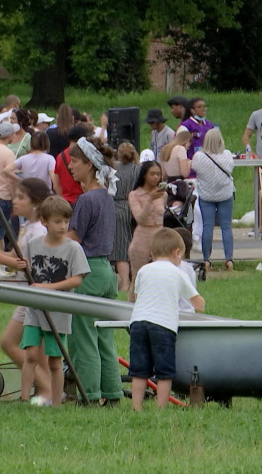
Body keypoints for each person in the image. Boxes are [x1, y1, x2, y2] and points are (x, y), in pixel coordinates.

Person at [0, 178, 52, 401]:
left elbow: (25, 263)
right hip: (29, 294)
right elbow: (14, 257)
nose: (15, 201)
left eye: (21, 197)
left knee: (8, 342)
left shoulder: (38, 231)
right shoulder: (27, 227)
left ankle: (48, 388)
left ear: (36, 203)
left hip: (34, 296)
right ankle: (44, 392)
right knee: (38, 352)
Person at [66, 136, 124, 404]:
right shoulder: (106, 196)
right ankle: (112, 393)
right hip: (107, 271)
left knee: (84, 339)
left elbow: (73, 240)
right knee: (104, 339)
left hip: (87, 272)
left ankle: (88, 394)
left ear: (89, 164)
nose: (70, 167)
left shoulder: (87, 200)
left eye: (75, 161)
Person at [20, 196, 89, 408]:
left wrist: (46, 288)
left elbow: (77, 279)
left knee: (55, 359)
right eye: (57, 221)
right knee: (31, 354)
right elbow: (25, 271)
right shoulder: (32, 245)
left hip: (59, 311)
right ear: (44, 222)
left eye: (66, 221)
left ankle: (56, 402)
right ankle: (23, 399)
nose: (63, 226)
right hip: (34, 309)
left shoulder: (73, 248)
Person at [127, 228, 205, 411]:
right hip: (163, 325)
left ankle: (136, 407)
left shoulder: (143, 271)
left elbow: (137, 296)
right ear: (177, 253)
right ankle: (160, 407)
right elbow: (198, 303)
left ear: (152, 253)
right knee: (164, 371)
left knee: (138, 370)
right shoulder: (178, 273)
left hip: (138, 323)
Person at [192, 128, 235, 271]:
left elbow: (194, 168)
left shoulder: (199, 156)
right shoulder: (227, 155)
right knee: (226, 227)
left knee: (207, 227)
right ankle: (229, 259)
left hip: (206, 195)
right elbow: (231, 168)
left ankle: (207, 260)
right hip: (225, 194)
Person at [128, 161, 166, 284]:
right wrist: (149, 199)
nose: (156, 177)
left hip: (159, 236)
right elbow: (140, 218)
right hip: (142, 237)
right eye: (152, 174)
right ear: (144, 175)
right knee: (138, 278)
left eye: (158, 174)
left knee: (160, 276)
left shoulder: (163, 194)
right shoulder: (134, 195)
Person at [111, 143, 141, 292]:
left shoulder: (113, 168)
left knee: (119, 247)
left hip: (115, 206)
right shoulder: (138, 170)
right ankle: (129, 282)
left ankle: (124, 283)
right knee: (129, 246)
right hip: (133, 207)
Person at [0, 121, 19, 248]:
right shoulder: (8, 153)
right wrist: (14, 198)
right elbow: (11, 179)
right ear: (10, 135)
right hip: (2, 196)